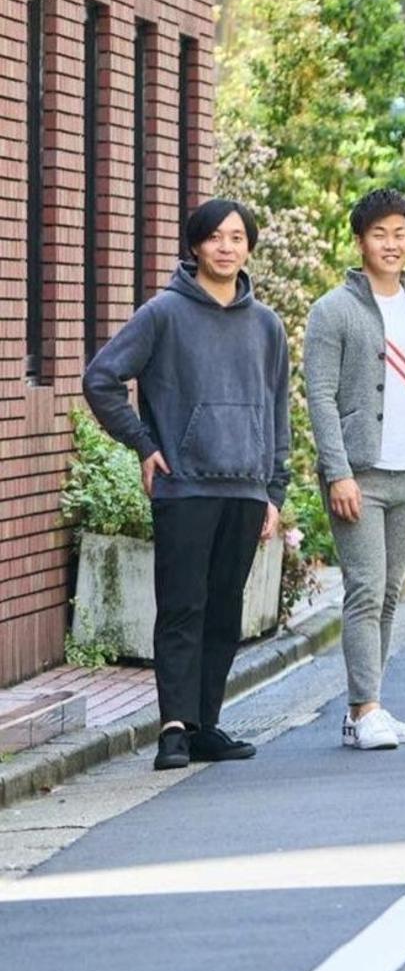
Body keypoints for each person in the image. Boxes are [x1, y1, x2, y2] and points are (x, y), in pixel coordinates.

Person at [84, 199, 290, 771]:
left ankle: (206, 725)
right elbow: (101, 378)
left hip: (245, 490)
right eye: (216, 237)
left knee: (224, 613)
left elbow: (278, 413)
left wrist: (275, 491)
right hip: (184, 487)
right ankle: (174, 728)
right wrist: (144, 444)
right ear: (195, 245)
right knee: (181, 608)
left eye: (237, 237)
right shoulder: (163, 313)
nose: (227, 247)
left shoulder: (267, 326)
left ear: (249, 248)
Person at [305, 188, 405, 751]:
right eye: (380, 234)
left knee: (388, 594)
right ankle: (365, 710)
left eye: (400, 233)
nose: (392, 244)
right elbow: (320, 395)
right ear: (360, 241)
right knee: (364, 590)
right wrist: (337, 471)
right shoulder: (333, 309)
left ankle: (369, 707)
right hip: (358, 474)